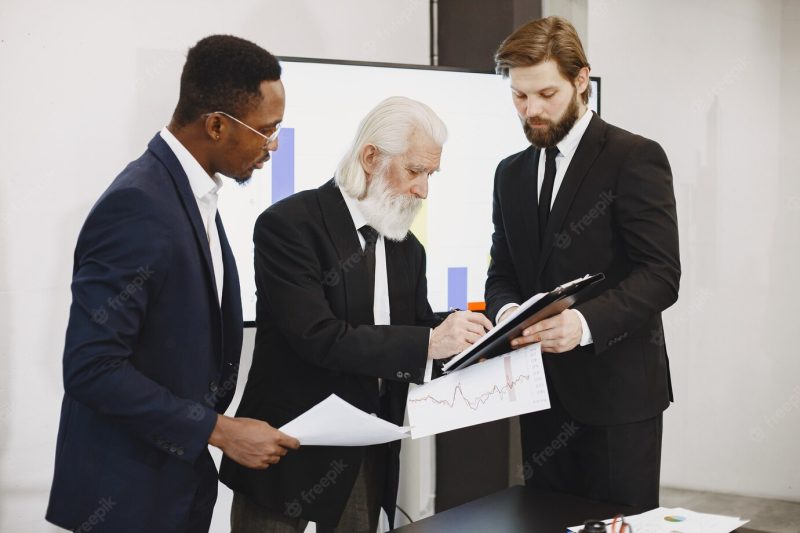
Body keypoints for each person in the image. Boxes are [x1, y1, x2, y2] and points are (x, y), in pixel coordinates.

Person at [46, 35, 299, 533]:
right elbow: (90, 367)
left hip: (173, 487)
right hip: (125, 500)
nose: (272, 147)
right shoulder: (137, 205)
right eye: (267, 132)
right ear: (217, 125)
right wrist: (220, 431)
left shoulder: (193, 192)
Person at [219, 96, 493, 532]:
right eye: (415, 171)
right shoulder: (289, 225)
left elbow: (413, 328)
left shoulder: (409, 248)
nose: (423, 190)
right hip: (287, 457)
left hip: (368, 457)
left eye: (430, 175)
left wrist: (470, 342)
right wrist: (429, 341)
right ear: (371, 157)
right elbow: (318, 336)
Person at [485, 17, 680, 508]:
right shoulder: (509, 173)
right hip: (538, 398)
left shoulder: (635, 157)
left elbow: (660, 274)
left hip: (619, 400)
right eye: (519, 96)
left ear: (580, 80)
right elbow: (502, 269)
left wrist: (583, 323)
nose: (532, 111)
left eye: (546, 94)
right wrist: (508, 314)